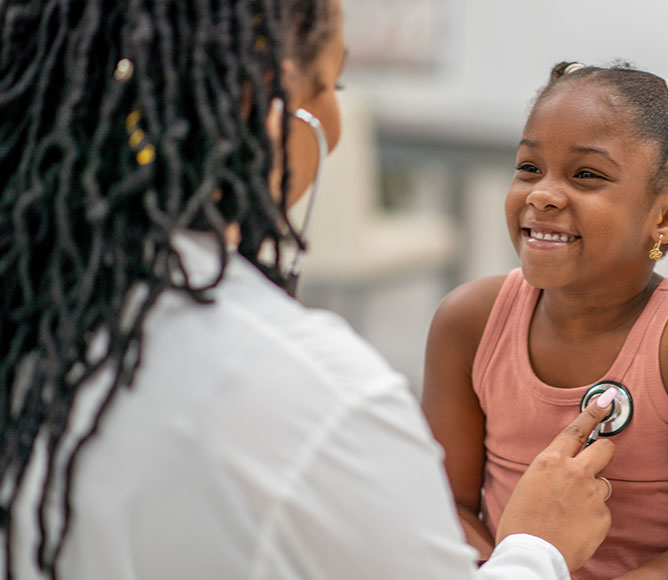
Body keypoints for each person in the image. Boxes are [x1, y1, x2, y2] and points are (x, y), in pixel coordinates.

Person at [0, 3, 616, 579]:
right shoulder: (324, 404)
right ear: (262, 108)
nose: (337, 122)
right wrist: (538, 548)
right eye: (329, 87)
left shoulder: (37, 306)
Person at [422, 61, 668, 579]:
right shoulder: (468, 322)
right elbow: (446, 505)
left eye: (587, 175)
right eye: (529, 168)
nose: (541, 194)